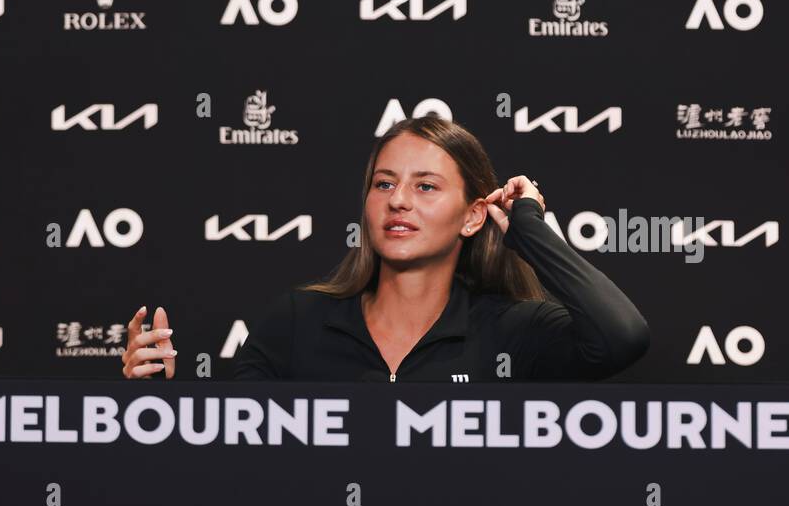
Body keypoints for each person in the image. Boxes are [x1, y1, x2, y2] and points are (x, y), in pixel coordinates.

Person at [122, 114, 650, 383]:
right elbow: (233, 462)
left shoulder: (517, 330)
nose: (398, 200)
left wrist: (528, 227)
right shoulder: (296, 323)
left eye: (425, 186)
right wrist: (161, 405)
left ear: (472, 216)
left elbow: (622, 337)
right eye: (383, 184)